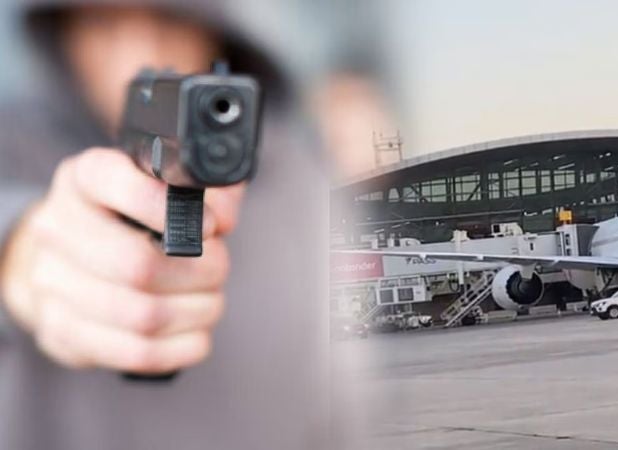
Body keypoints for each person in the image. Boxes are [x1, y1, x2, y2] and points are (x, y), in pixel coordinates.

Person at [0, 1, 353, 448]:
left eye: (169, 19)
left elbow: (327, 394)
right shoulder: (11, 138)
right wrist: (18, 252)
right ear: (62, 30)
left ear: (215, 32)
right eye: (105, 22)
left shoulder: (296, 177)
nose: (142, 54)